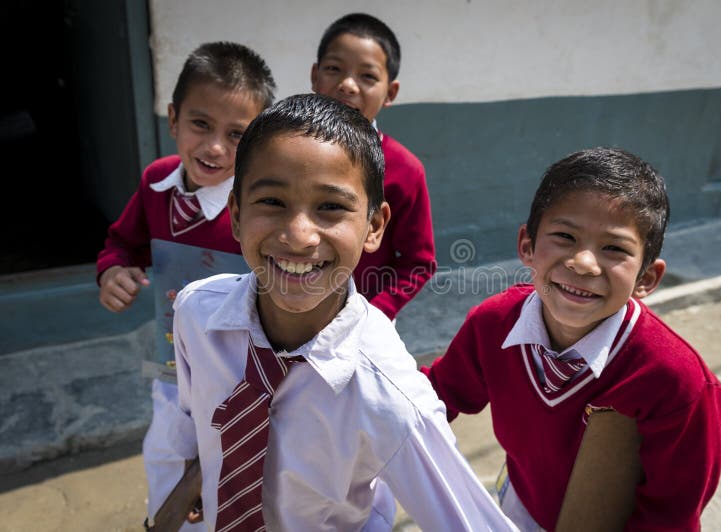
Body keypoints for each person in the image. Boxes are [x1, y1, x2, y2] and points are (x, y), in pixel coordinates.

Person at [166, 93, 518, 531]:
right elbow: (200, 416)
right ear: (236, 214)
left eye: (330, 207)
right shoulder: (196, 314)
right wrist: (193, 482)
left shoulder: (389, 397)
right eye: (272, 202)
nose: (298, 236)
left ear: (374, 226)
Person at [422, 147, 721, 531]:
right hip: (517, 503)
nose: (583, 263)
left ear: (647, 278)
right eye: (565, 236)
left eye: (614, 248)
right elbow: (434, 396)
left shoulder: (676, 381)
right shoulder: (494, 323)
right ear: (527, 246)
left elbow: (671, 515)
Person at [95, 41, 276, 529]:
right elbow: (122, 243)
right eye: (201, 124)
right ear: (173, 119)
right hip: (173, 368)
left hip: (242, 376)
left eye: (236, 135)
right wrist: (113, 271)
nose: (215, 147)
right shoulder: (157, 184)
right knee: (166, 459)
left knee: (236, 480)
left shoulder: (261, 205)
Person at [311, 12, 436, 321]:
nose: (347, 85)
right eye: (334, 69)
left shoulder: (405, 170)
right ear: (315, 76)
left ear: (390, 92)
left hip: (362, 320)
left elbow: (418, 262)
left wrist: (373, 314)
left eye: (367, 76)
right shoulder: (285, 151)